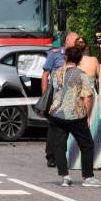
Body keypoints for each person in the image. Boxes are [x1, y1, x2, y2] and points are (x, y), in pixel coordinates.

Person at [47, 46, 101, 188]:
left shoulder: (56, 73)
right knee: (86, 144)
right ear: (79, 59)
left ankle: (64, 177)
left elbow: (53, 90)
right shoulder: (82, 74)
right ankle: (88, 176)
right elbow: (87, 96)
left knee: (60, 145)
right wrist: (88, 115)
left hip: (57, 114)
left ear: (66, 57)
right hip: (75, 115)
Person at [67, 36, 101, 170]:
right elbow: (99, 78)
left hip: (75, 95)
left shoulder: (72, 62)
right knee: (93, 127)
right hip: (91, 95)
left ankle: (73, 160)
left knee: (74, 127)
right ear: (87, 46)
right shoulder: (93, 60)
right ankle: (95, 161)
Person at [42, 31, 78, 167]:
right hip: (56, 95)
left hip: (72, 95)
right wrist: (45, 95)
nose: (78, 42)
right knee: (54, 126)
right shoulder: (55, 53)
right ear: (68, 41)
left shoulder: (79, 56)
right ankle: (51, 156)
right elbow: (45, 74)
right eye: (75, 40)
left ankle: (68, 155)